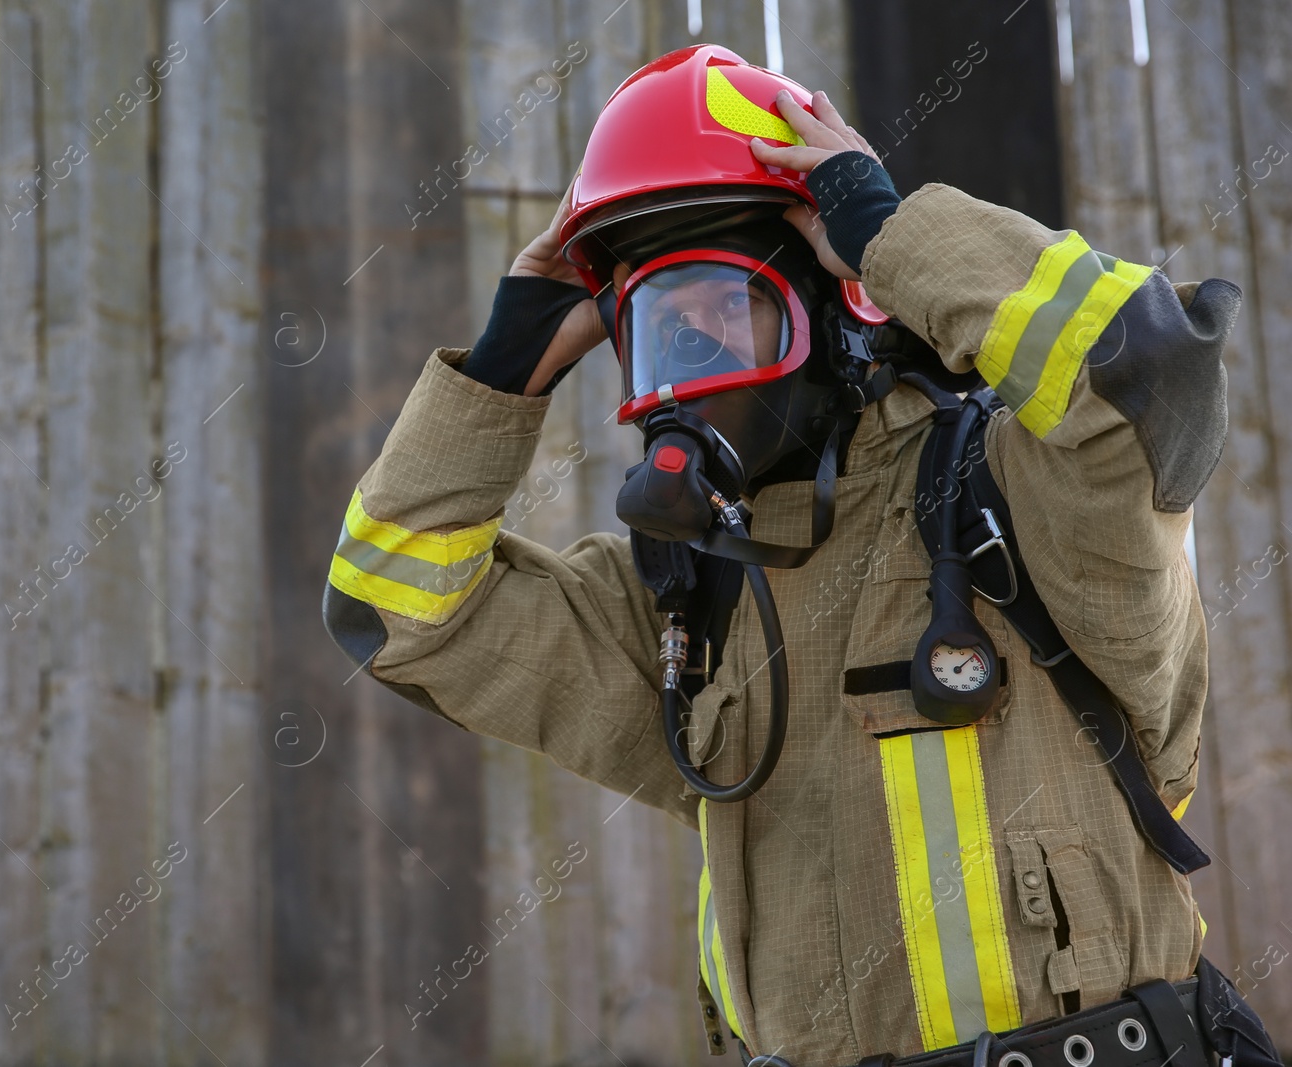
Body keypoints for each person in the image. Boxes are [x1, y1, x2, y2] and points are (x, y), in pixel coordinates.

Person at [324, 45, 1277, 1067]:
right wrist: (501, 371)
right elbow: (393, 607)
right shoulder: (680, 600)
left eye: (726, 311)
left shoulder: (1027, 497)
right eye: (660, 328)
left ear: (837, 306)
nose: (691, 366)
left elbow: (1148, 375)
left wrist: (894, 235)